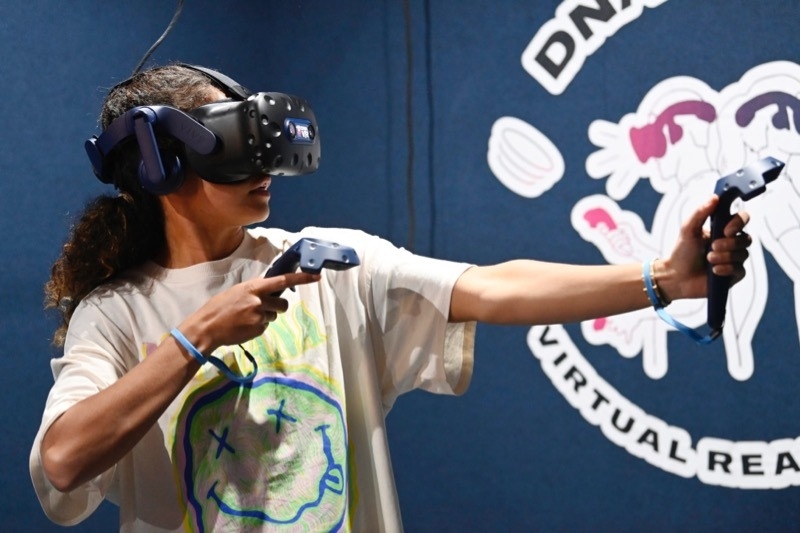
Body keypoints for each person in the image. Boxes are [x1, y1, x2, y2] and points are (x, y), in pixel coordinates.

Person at [29, 64, 752, 532]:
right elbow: (62, 462)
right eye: (231, 141)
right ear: (159, 163)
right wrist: (196, 338)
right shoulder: (116, 313)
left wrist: (666, 278)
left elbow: (492, 287)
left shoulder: (327, 261)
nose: (264, 162)